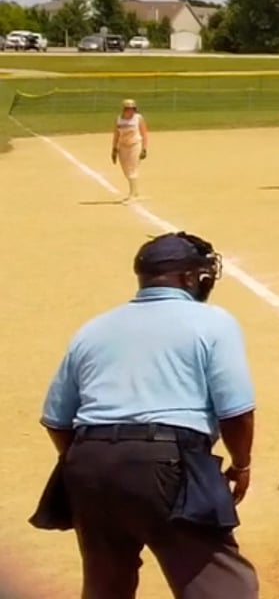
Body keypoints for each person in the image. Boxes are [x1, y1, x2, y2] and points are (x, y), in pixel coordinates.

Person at [34, 233, 259, 598]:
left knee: (106, 587)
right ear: (189, 277)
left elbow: (57, 420)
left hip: (88, 464)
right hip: (167, 461)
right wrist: (241, 464)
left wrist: (92, 461)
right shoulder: (213, 322)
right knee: (224, 588)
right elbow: (236, 411)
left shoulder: (93, 328)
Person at [110, 98, 149, 201]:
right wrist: (114, 148)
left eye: (132, 109)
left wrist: (144, 149)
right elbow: (116, 135)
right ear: (124, 109)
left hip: (135, 145)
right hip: (123, 146)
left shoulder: (138, 118)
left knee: (132, 169)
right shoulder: (119, 119)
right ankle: (136, 193)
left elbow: (144, 134)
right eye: (128, 109)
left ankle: (132, 194)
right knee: (126, 170)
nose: (130, 111)